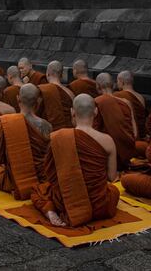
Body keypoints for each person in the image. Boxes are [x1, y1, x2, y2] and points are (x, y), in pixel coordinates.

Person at [31, 94, 120, 227]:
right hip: (99, 204)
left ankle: (50, 210)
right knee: (114, 191)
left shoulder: (59, 138)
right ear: (95, 112)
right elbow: (112, 177)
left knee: (39, 189)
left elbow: (50, 173)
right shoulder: (108, 140)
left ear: (72, 112)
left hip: (67, 202)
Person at [0, 83, 51, 199]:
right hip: (40, 177)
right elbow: (48, 156)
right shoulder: (47, 126)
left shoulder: (6, 123)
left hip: (14, 179)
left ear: (18, 98)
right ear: (38, 101)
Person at [93, 73, 137, 171]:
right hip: (126, 154)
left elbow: (93, 131)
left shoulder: (96, 102)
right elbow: (135, 132)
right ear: (113, 85)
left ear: (97, 86)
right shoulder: (126, 103)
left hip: (105, 155)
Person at [37, 61, 74, 130]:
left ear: (47, 74)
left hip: (49, 131)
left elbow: (36, 112)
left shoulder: (43, 90)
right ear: (62, 75)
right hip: (68, 132)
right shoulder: (70, 93)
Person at [114, 71, 146, 139]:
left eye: (117, 81)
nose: (117, 84)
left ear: (122, 82)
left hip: (126, 133)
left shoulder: (117, 95)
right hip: (140, 134)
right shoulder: (141, 97)